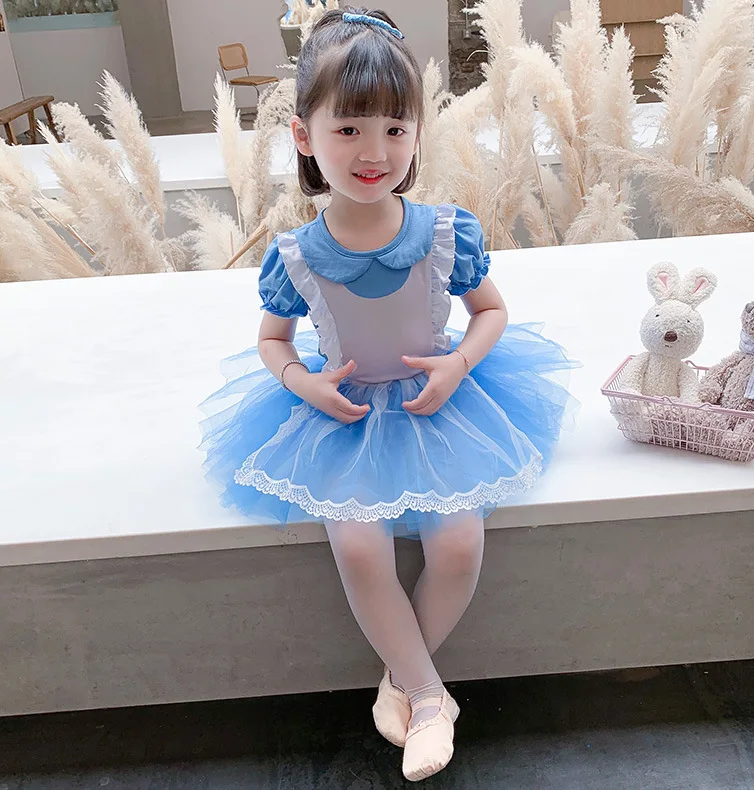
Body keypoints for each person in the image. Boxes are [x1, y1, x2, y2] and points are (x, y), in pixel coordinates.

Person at [200, 8, 576, 782]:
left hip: (437, 407)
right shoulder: (296, 255)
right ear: (304, 135)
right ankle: (433, 700)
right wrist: (302, 380)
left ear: (416, 135)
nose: (375, 153)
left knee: (459, 544)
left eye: (395, 129)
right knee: (359, 545)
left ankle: (402, 683)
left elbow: (491, 312)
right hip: (343, 416)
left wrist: (457, 364)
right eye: (348, 130)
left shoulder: (444, 233)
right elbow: (273, 341)